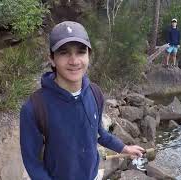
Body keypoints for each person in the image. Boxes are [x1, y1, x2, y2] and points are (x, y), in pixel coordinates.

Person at [20, 21, 145, 180]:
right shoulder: (34, 108)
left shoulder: (95, 93)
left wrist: (124, 148)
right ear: (52, 59)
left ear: (89, 56)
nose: (74, 61)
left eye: (80, 52)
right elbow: (32, 162)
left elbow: (99, 134)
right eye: (64, 52)